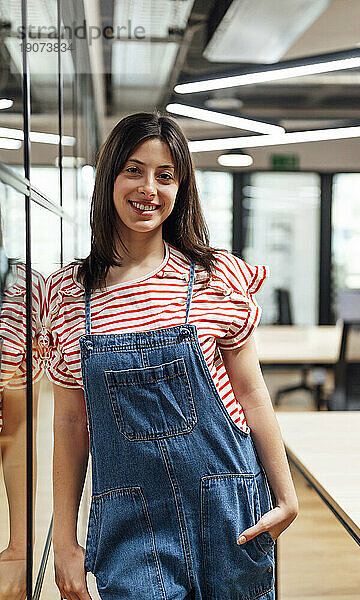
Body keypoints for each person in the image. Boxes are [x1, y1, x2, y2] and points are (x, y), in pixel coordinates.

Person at [47, 111, 298, 600]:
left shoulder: (215, 276)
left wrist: (286, 495)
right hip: (129, 518)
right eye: (134, 170)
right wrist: (63, 539)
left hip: (229, 505)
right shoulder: (69, 293)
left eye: (166, 176)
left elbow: (251, 392)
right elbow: (70, 425)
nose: (149, 188)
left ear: (181, 188)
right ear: (109, 178)